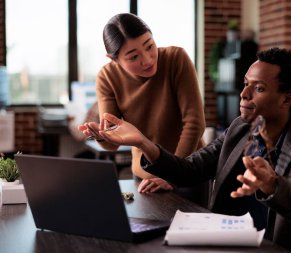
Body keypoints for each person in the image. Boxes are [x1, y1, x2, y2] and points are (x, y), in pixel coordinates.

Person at [91, 47, 291, 252]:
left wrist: (273, 185)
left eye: (258, 88)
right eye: (245, 83)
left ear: (287, 99)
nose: (243, 94)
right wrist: (142, 142)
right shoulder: (240, 129)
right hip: (222, 243)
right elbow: (190, 170)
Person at [78, 13, 207, 205]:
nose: (147, 60)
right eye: (133, 57)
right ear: (114, 60)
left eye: (149, 46)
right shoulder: (107, 77)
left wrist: (172, 174)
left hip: (188, 173)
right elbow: (113, 143)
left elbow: (195, 123)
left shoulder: (176, 59)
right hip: (145, 179)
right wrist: (100, 135)